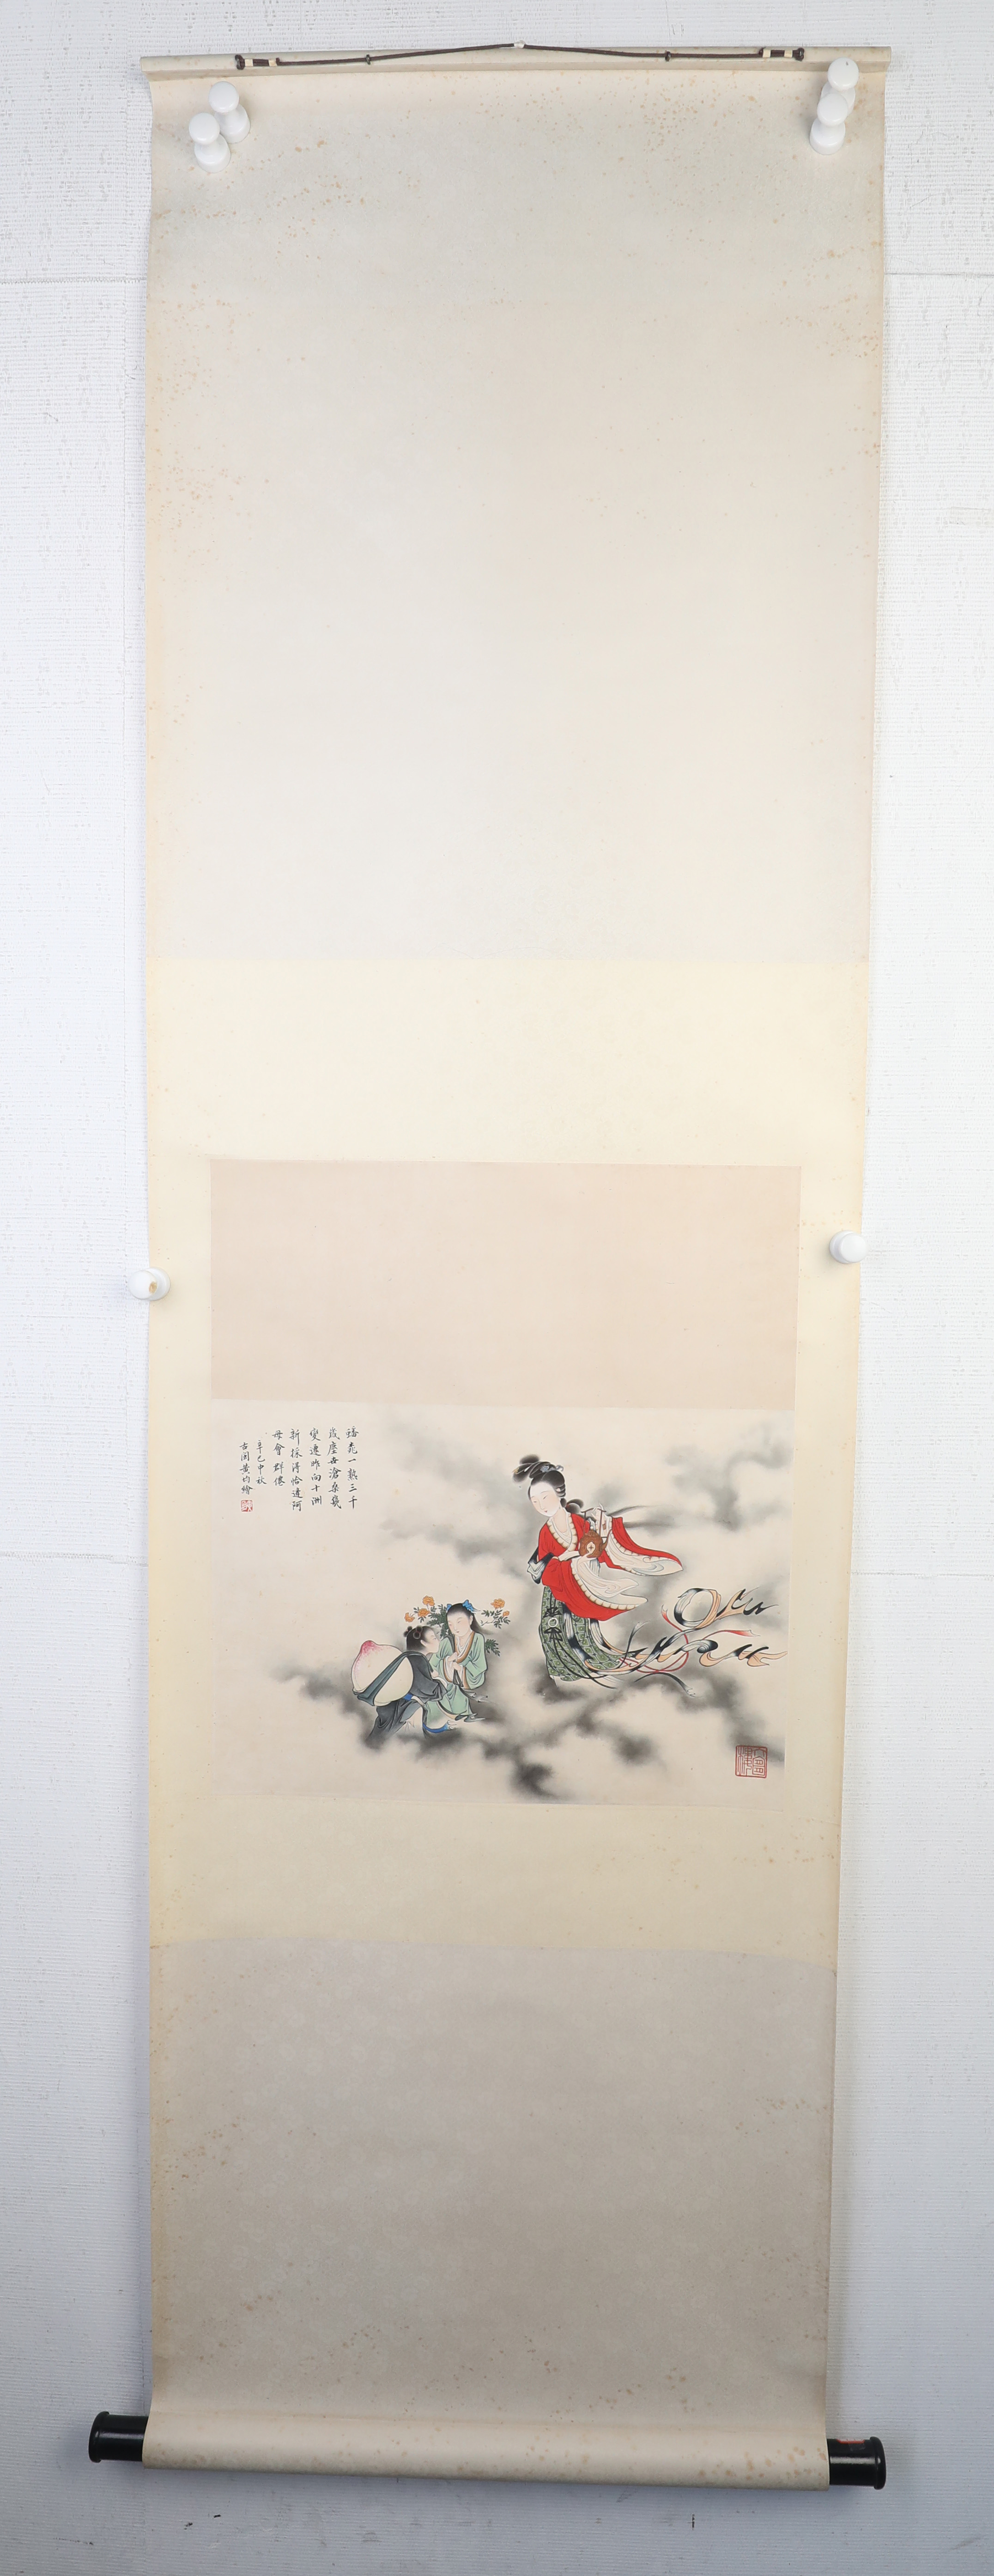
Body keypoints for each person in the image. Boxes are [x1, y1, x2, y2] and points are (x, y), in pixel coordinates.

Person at [512, 1454, 682, 1687]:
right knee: (553, 1630)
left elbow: (596, 1549)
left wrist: (601, 1527)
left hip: (581, 1584)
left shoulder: (579, 1523)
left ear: (559, 1494)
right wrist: (565, 1560)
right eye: (535, 1501)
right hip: (557, 1590)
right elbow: (544, 1567)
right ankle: (565, 1672)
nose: (542, 1506)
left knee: (583, 1630)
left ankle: (590, 1666)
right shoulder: (546, 1532)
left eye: (545, 1497)